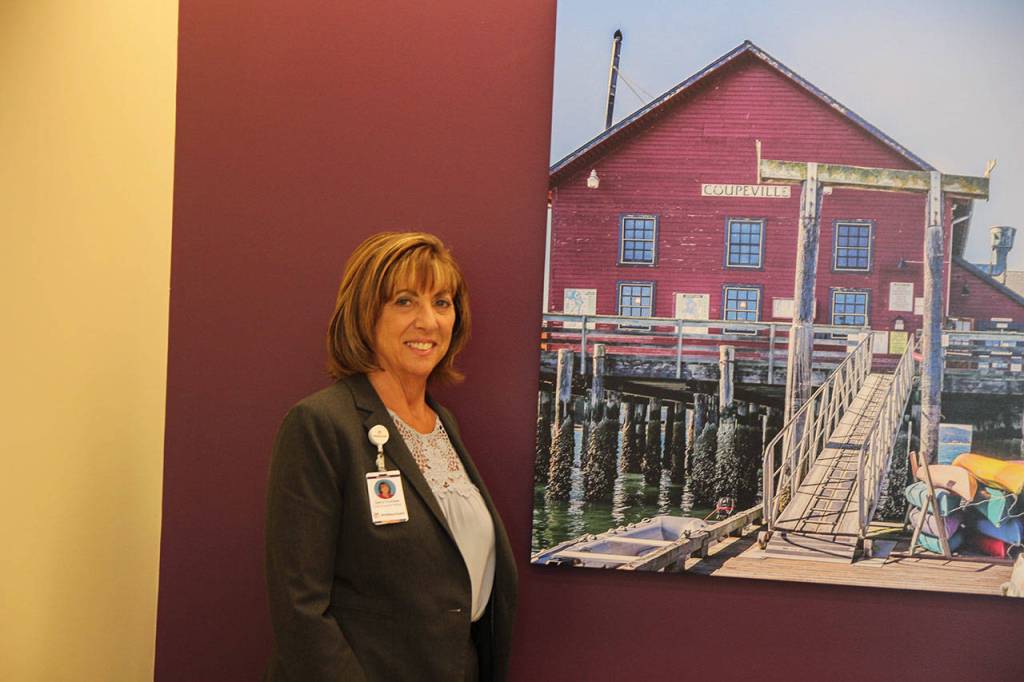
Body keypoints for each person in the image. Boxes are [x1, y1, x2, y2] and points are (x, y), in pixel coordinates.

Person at [264, 232, 517, 682]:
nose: (429, 321)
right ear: (366, 314)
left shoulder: (444, 425)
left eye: (442, 303)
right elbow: (300, 607)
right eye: (405, 301)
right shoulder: (321, 425)